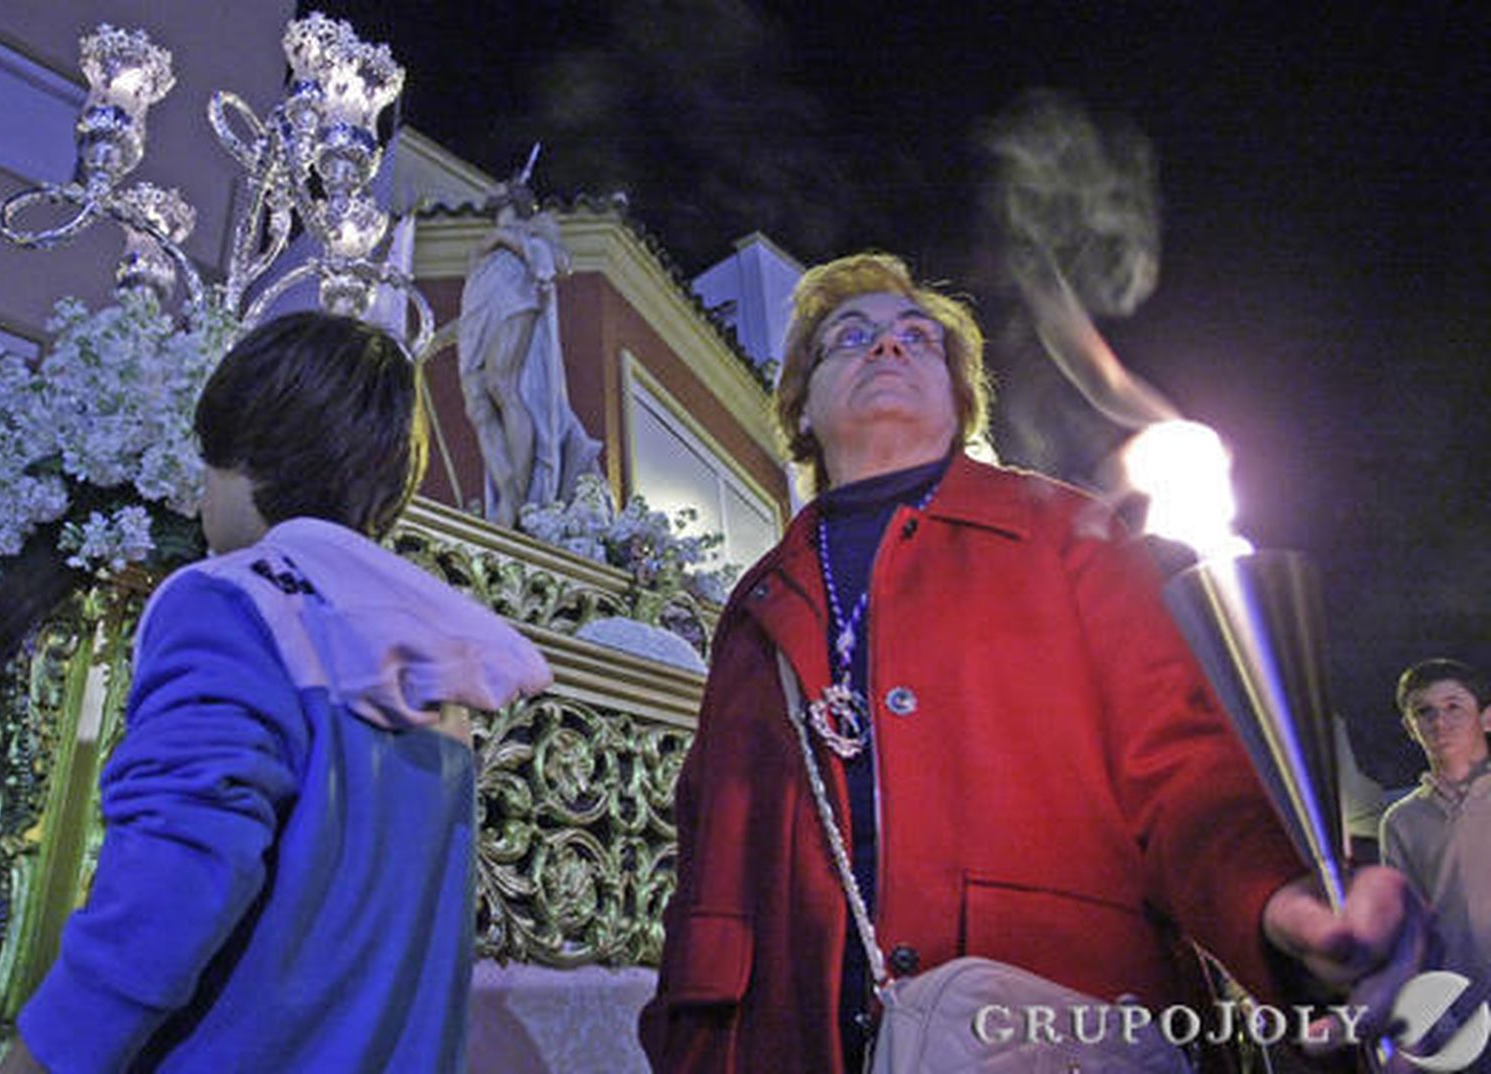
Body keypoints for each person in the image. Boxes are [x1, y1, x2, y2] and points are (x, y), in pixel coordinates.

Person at [638, 253, 1427, 1073]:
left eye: (919, 337)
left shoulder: (1063, 535)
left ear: (960, 397)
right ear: (802, 404)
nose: (888, 346)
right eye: (850, 336)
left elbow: (1179, 766)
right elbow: (710, 857)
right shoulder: (757, 603)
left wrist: (1276, 897)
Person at [3, 312, 552, 1072]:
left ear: (248, 455)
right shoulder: (432, 664)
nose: (199, 505)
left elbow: (175, 878)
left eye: (205, 471)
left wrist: (44, 1054)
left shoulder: (230, 603)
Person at [457, 176, 601, 528]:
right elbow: (472, 303)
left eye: (498, 184)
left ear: (513, 193)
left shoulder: (537, 224)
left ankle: (515, 501)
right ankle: (505, 486)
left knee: (501, 385)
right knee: (477, 399)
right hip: (480, 315)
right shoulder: (482, 245)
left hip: (516, 301)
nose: (488, 188)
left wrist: (508, 239)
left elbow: (560, 262)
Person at [1381, 658, 1491, 977]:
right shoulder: (1402, 822)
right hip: (1466, 1010)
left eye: (1453, 706)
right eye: (1424, 711)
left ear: (1486, 717)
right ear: (1410, 728)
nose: (1440, 722)